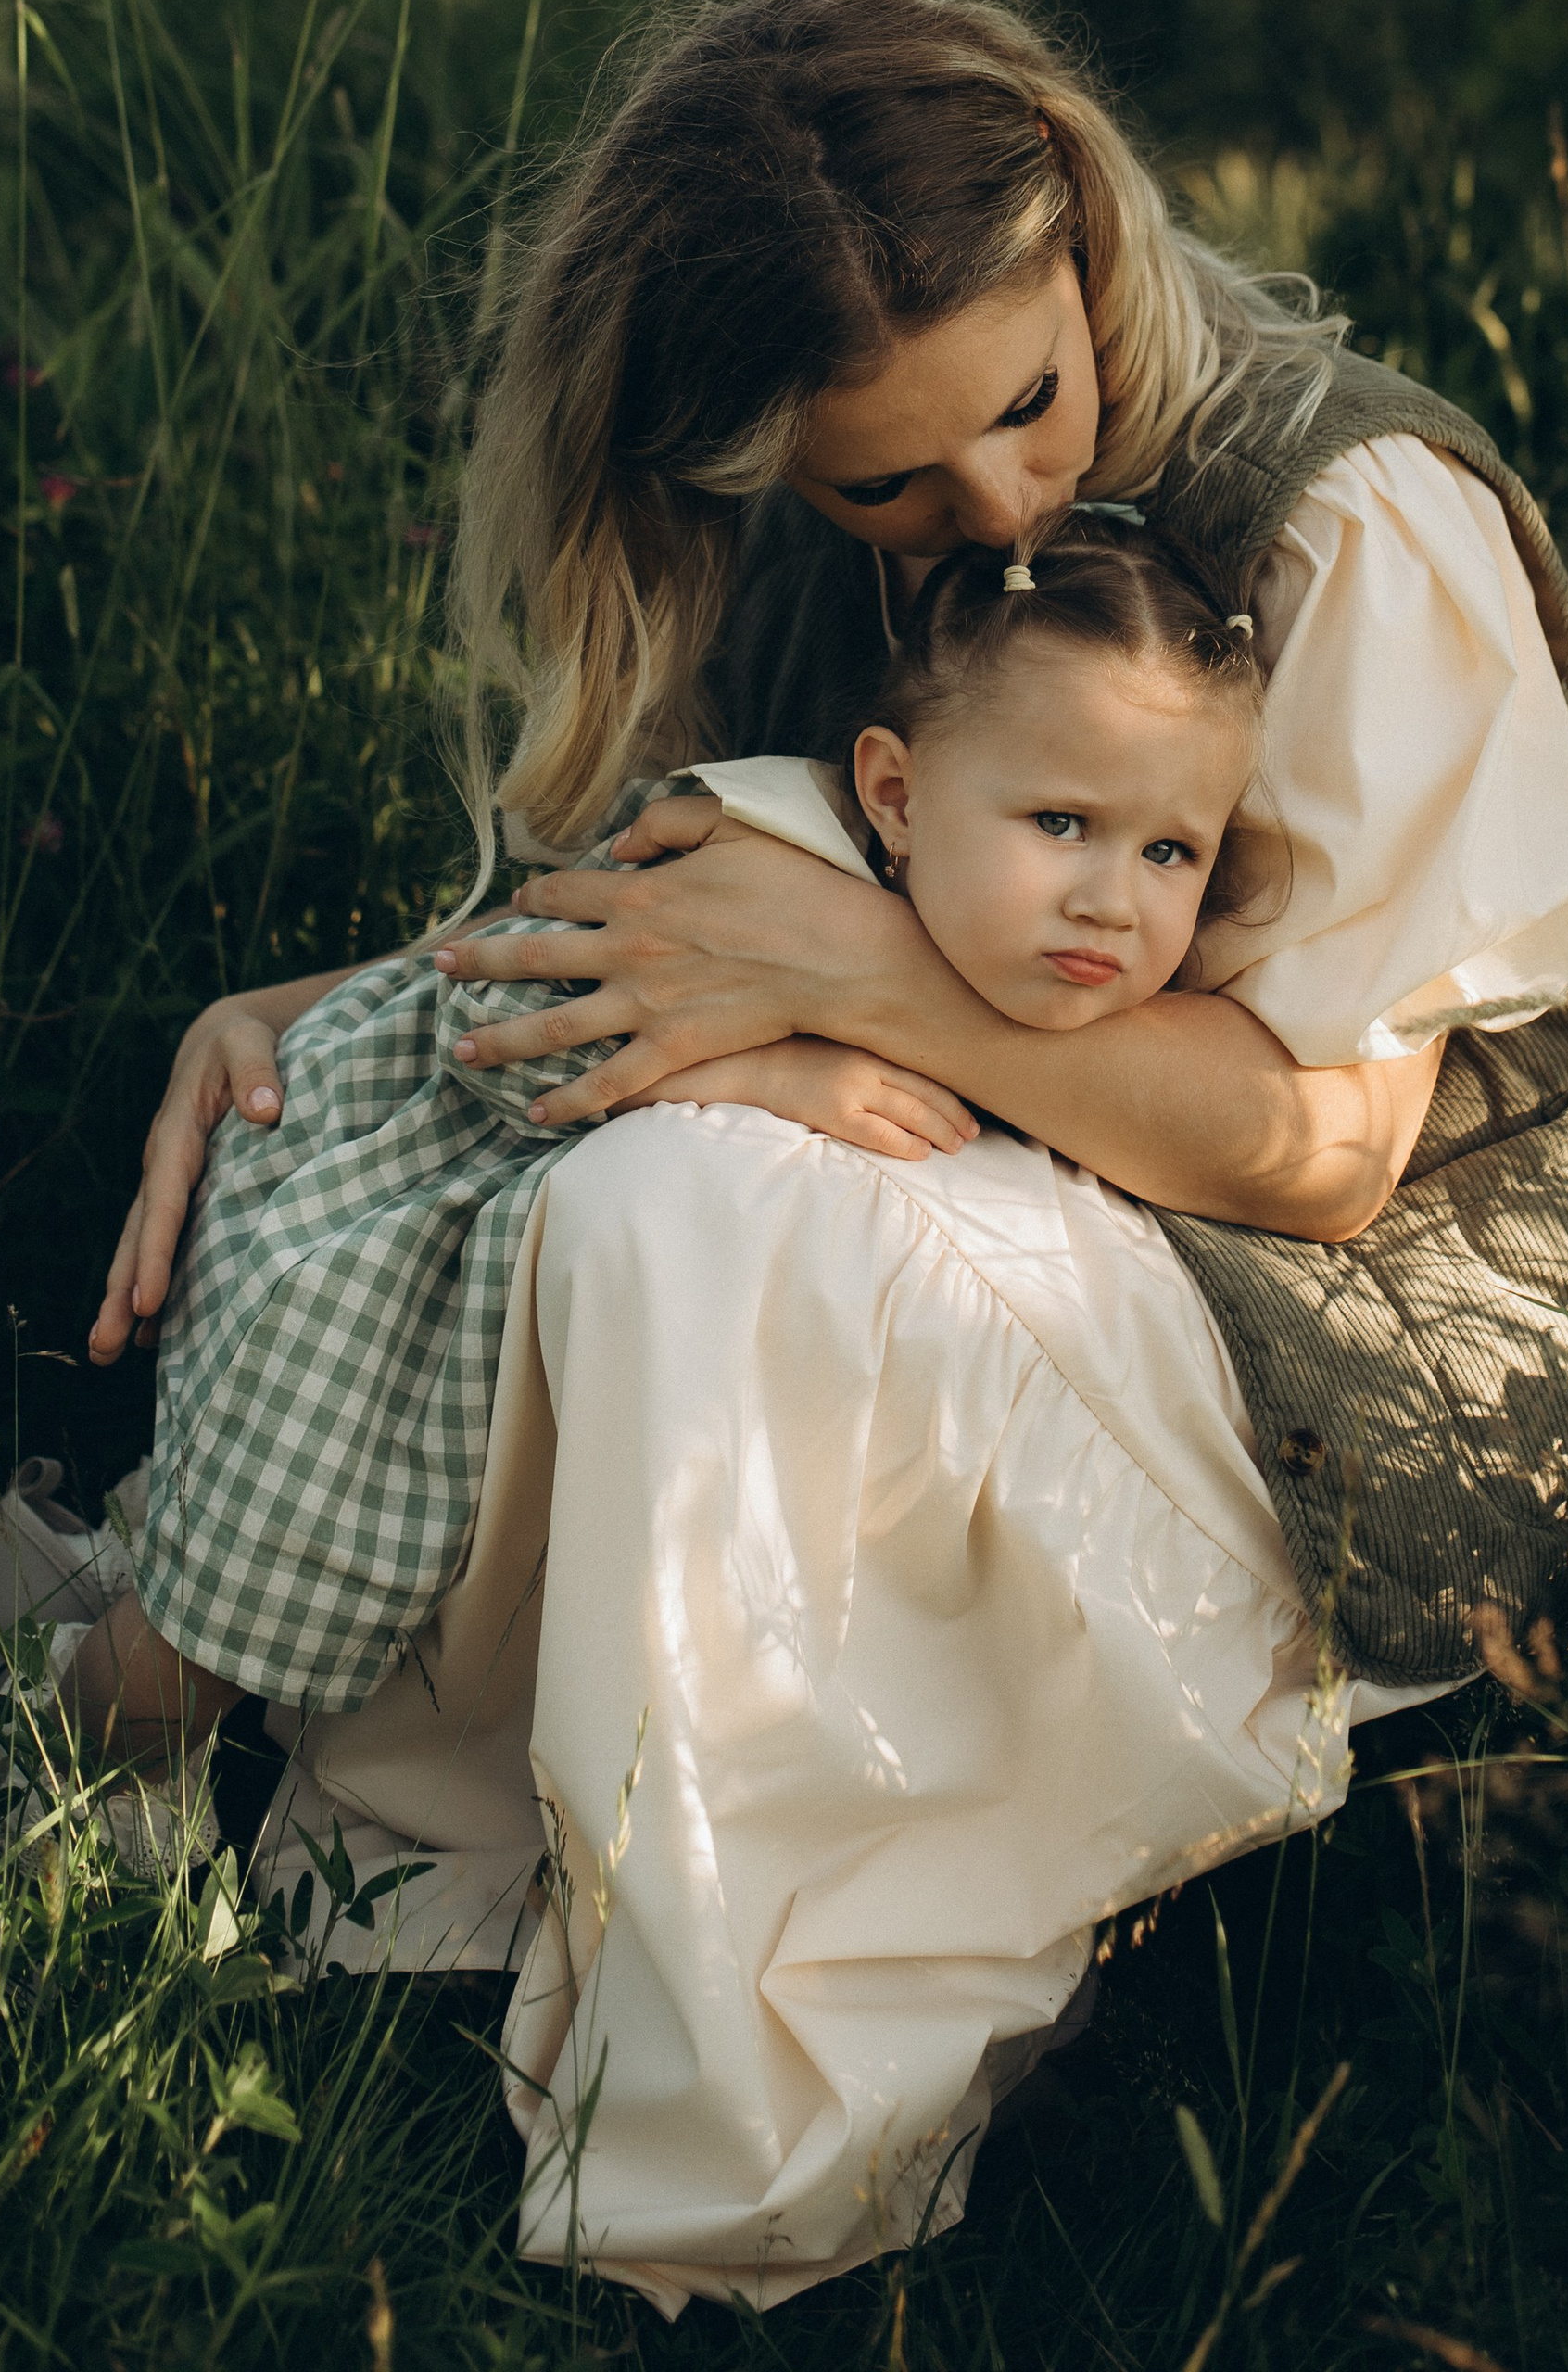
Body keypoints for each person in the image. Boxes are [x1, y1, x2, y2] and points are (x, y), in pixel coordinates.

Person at [85, 0, 1568, 2313]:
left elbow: (1331, 1153)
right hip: (1052, 1122)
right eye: (887, 485)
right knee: (568, 1123)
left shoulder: (1349, 522)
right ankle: (483, 1772)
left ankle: (736, 2071)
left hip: (1368, 1319)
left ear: (1081, 226)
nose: (1001, 508)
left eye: (1030, 405)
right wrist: (309, 1013)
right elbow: (704, 882)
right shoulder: (831, 523)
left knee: (680, 1186)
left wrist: (837, 990)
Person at [75, 516, 1277, 1750]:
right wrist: (765, 1067)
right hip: (370, 1269)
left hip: (505, 1346)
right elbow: (501, 1011)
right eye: (1062, 824)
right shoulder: (757, 852)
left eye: (1170, 850)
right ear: (894, 796)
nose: (1111, 898)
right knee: (215, 1630)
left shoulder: (1058, 994)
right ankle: (65, 1760)